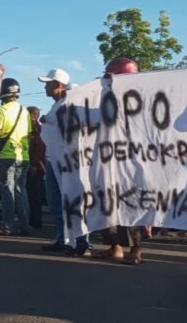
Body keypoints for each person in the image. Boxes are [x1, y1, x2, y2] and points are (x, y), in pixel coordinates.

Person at [91, 58, 144, 265]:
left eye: (110, 76)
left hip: (131, 161)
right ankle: (115, 247)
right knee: (107, 204)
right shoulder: (104, 97)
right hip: (107, 159)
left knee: (130, 204)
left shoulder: (138, 99)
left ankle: (136, 248)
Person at [37, 68, 91, 255]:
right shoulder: (57, 106)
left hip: (68, 162)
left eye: (48, 83)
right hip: (53, 160)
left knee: (73, 201)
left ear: (58, 84)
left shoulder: (70, 104)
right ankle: (64, 239)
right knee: (55, 203)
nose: (45, 87)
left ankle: (82, 242)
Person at [0, 78, 32, 236]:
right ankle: (24, 226)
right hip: (24, 156)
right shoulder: (24, 111)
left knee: (8, 192)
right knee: (22, 191)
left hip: (7, 156)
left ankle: (7, 226)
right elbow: (28, 133)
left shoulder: (2, 111)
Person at [26, 106, 46, 229]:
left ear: (33, 116)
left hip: (36, 167)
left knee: (34, 195)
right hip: (33, 165)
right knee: (31, 194)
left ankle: (35, 221)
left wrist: (34, 164)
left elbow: (39, 148)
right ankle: (32, 220)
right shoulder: (34, 129)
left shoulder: (36, 129)